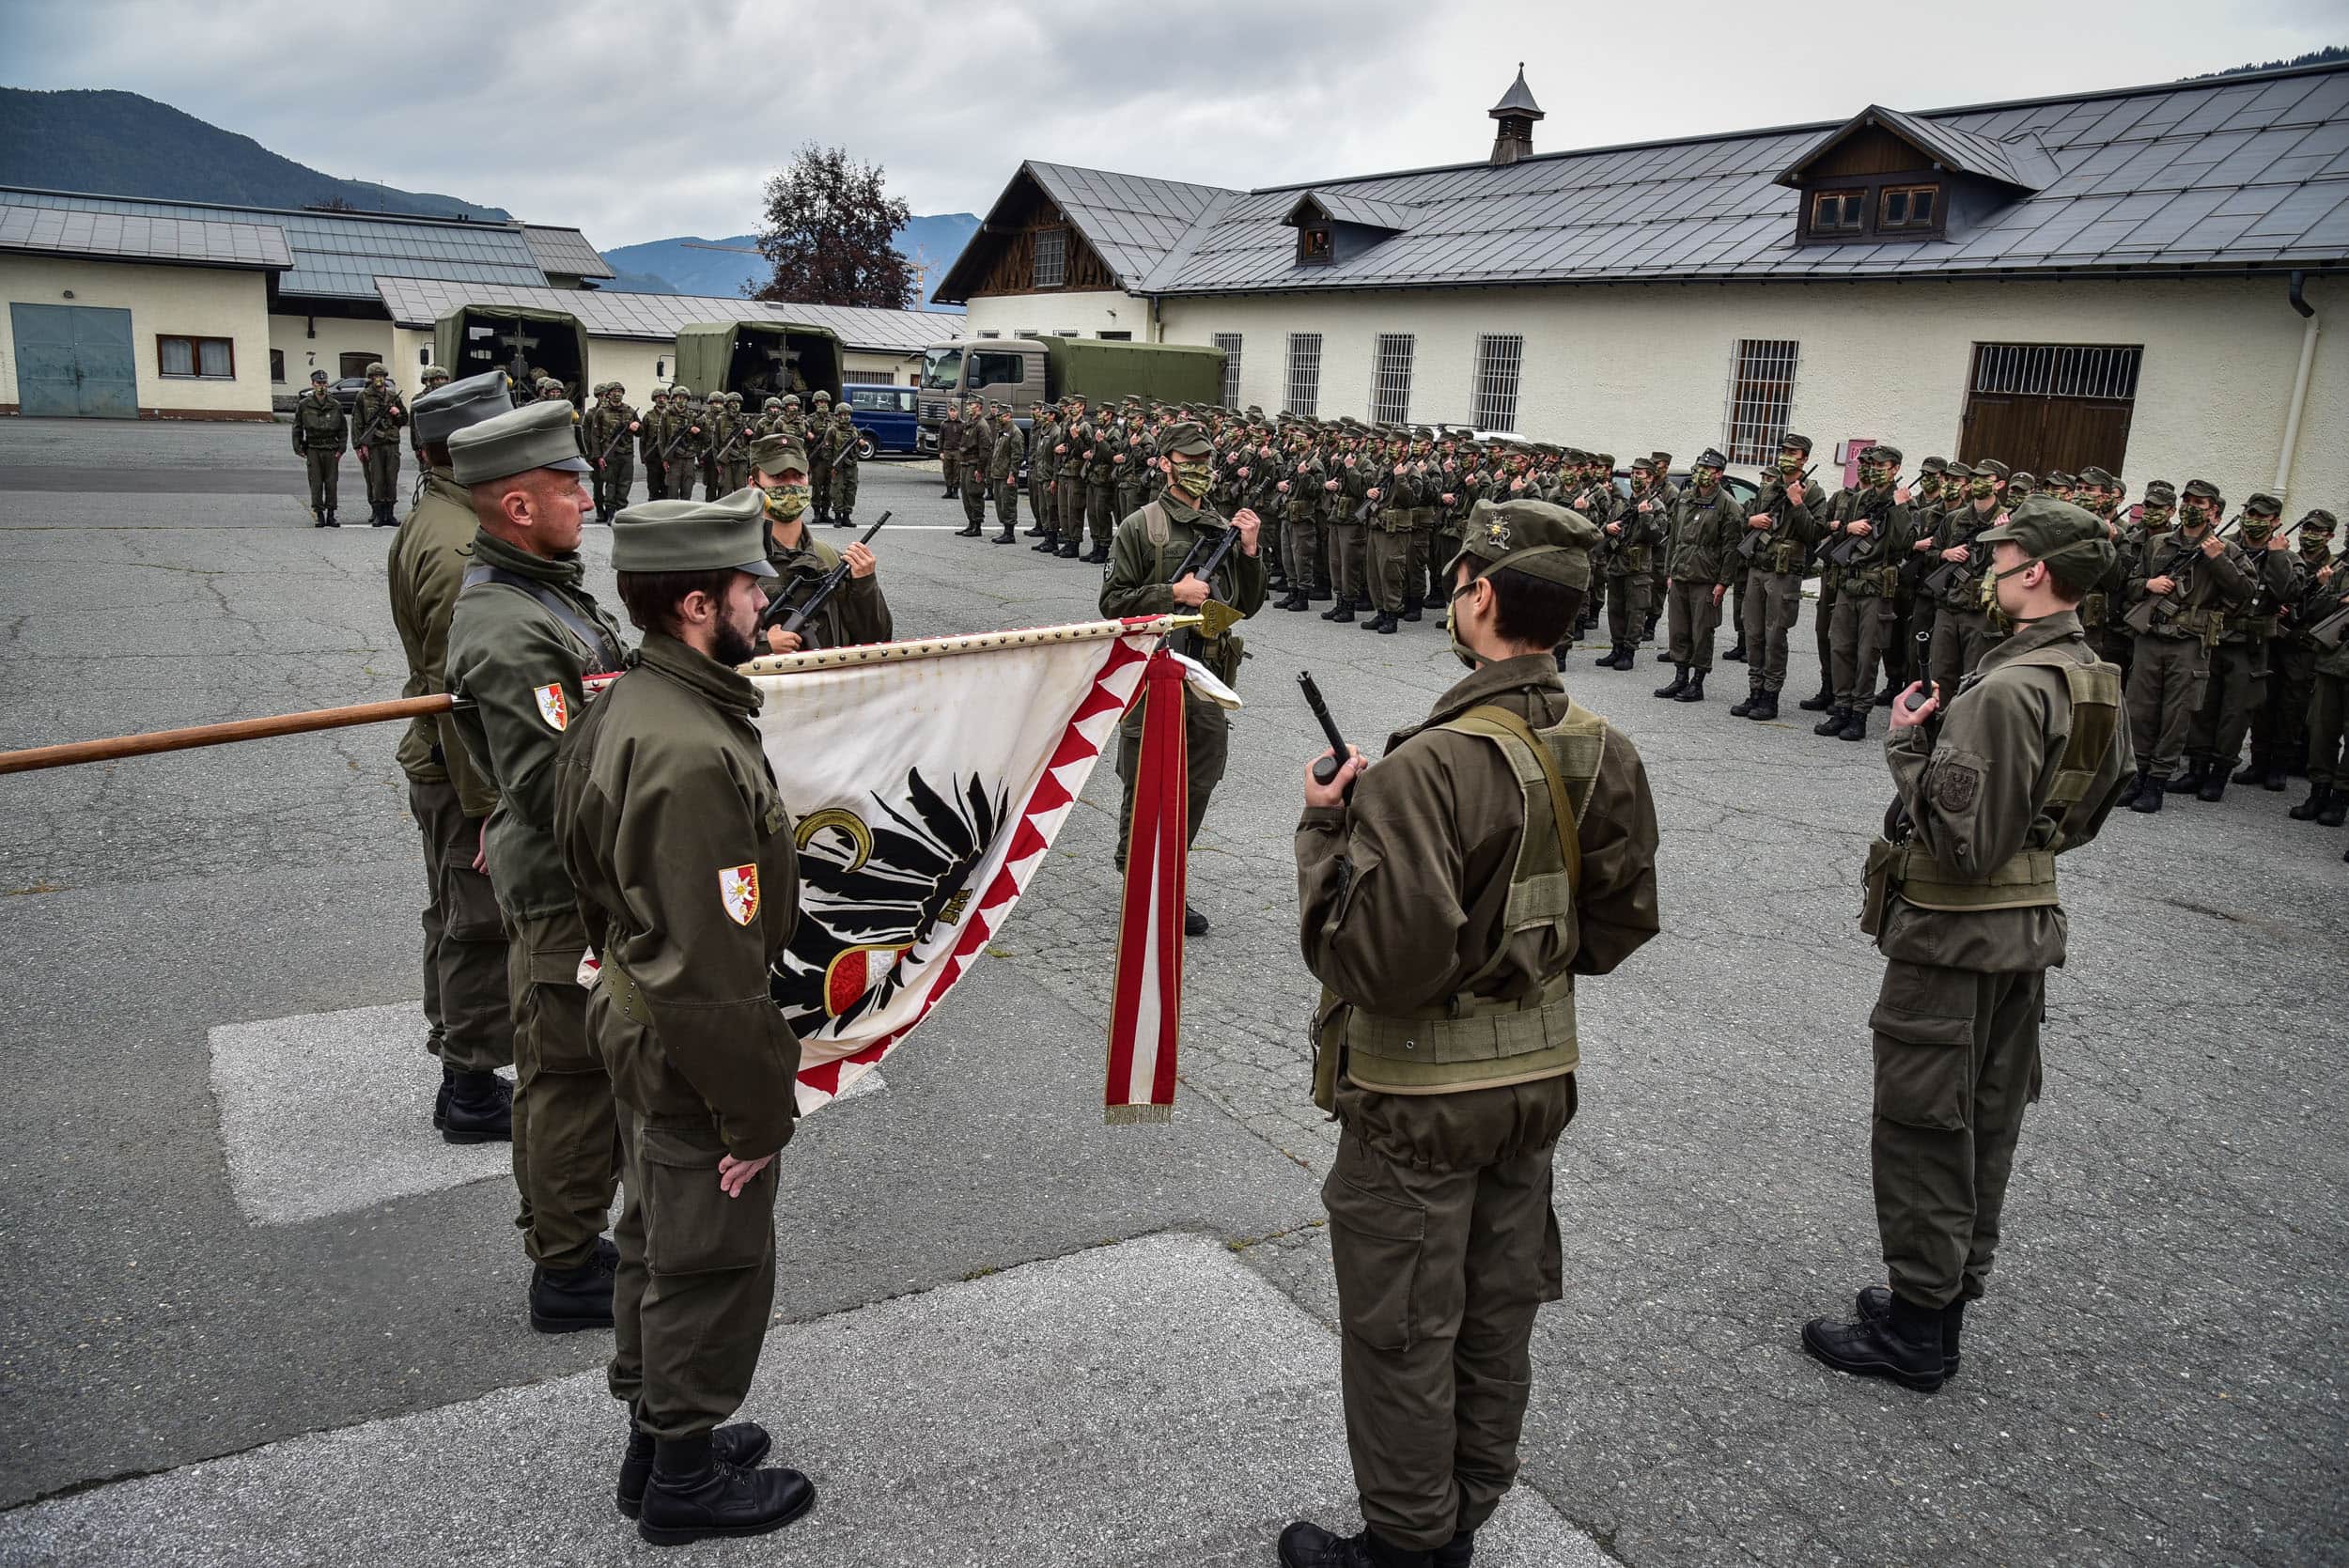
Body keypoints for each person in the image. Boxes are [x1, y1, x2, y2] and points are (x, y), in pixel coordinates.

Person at [1284, 497, 1659, 1568]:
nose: (1454, 599)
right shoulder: (1605, 748)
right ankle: (1465, 1509)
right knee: (1498, 1308)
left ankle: (1409, 1542)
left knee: (1405, 1325)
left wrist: (1325, 827)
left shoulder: (1428, 767)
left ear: (1481, 595)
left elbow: (1377, 966)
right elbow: (1618, 924)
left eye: (1459, 584)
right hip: (1535, 1082)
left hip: (1418, 1100)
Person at [1805, 497, 2129, 1393]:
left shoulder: (2006, 689)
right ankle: (1940, 1302)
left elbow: (1963, 842)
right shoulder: (2090, 674)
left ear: (2036, 571)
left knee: (1924, 1124)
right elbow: (2096, 802)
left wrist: (1908, 748)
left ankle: (1916, 1330)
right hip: (2023, 926)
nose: (1988, 570)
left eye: (2002, 555)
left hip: (1953, 934)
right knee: (1985, 1119)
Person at [552, 489, 815, 1546]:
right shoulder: (688, 749)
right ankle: (685, 1481)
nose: (764, 601)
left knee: (654, 1234)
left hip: (638, 1011)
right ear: (698, 604)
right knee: (708, 1251)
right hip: (685, 1037)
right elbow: (709, 971)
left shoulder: (640, 699)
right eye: (749, 587)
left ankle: (654, 1440)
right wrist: (754, 1115)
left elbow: (583, 861)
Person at [443, 399, 630, 1334]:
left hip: (583, 881)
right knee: (568, 1079)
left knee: (589, 1075)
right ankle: (565, 1267)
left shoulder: (546, 590)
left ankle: (574, 1239)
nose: (587, 499)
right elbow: (560, 787)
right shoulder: (510, 626)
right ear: (518, 507)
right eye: (569, 486)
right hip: (567, 892)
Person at [386, 369, 520, 1143]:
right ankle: (471, 1088)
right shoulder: (456, 545)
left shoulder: (441, 514)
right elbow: (458, 691)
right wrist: (490, 809)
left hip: (442, 761)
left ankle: (458, 1074)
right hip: (462, 770)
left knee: (454, 915)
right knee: (478, 923)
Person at [1098, 421, 1266, 937]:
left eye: (1205, 462)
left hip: (1207, 679)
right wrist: (1174, 594)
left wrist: (1251, 551)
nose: (1200, 470)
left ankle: (1167, 874)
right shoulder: (1141, 527)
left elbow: (1246, 605)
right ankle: (1139, 882)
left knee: (1199, 779)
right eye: (1189, 461)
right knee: (1145, 779)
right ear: (1166, 463)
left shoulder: (1220, 528)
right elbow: (1112, 604)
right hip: (1154, 676)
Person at [2119, 479, 2252, 810]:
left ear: (2213, 511)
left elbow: (2245, 594)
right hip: (2151, 637)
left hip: (2190, 643)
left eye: (2199, 503)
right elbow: (2129, 584)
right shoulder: (2158, 544)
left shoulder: (2227, 550)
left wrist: (2218, 560)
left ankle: (2157, 782)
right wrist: (2148, 584)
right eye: (2188, 500)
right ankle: (2136, 776)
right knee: (2139, 710)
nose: (2191, 507)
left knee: (2176, 715)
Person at [2182, 491, 2302, 800]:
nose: (2254, 520)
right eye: (2250, 513)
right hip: (2215, 636)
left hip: (2250, 645)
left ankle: (2219, 774)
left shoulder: (2286, 557)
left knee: (2236, 713)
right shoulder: (2224, 544)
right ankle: (2196, 768)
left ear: (2276, 522)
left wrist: (2277, 557)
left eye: (2262, 517)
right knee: (2203, 705)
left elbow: (2288, 593)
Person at [750, 436, 892, 653]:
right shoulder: (736, 561)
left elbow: (876, 639)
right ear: (754, 484)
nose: (791, 485)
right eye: (778, 477)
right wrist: (762, 646)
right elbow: (707, 646)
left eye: (798, 476)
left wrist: (865, 584)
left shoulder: (830, 559)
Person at [1814, 444, 1914, 742]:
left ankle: (1859, 715)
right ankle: (1841, 707)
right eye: (1871, 465)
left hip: (1875, 589)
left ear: (1895, 469)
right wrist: (1849, 528)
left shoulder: (1903, 501)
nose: (1874, 469)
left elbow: (1905, 543)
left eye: (1881, 466)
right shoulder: (1859, 499)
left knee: (1867, 654)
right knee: (1840, 647)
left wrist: (1899, 507)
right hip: (1849, 584)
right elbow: (1838, 533)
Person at [1730, 434, 1825, 721]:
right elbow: (1741, 518)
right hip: (1757, 568)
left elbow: (1815, 534)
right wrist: (1751, 521)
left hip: (1784, 574)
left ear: (1804, 459)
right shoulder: (1769, 489)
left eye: (1793, 452)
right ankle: (1755, 691)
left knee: (1774, 636)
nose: (1786, 456)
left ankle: (1770, 697)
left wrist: (1797, 504)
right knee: (1753, 633)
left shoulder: (1812, 492)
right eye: (1784, 451)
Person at [1653, 449, 1741, 704]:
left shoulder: (1728, 505)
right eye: (1700, 467)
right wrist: (1669, 571)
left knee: (1702, 632)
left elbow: (1731, 549)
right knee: (1678, 629)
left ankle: (1697, 682)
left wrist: (1723, 582)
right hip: (1681, 575)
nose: (1702, 473)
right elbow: (1674, 538)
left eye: (1708, 469)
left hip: (1706, 578)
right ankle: (1680, 677)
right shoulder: (1684, 499)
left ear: (1719, 474)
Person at [352, 362, 408, 528]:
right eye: (375, 376)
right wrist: (359, 445)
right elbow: (357, 423)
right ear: (370, 378)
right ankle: (378, 513)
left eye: (381, 376)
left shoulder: (392, 396)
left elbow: (404, 419)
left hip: (391, 443)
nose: (379, 379)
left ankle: (389, 513)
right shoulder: (363, 396)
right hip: (374, 445)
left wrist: (397, 413)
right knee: (376, 480)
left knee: (391, 478)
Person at [293, 369, 347, 527]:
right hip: (313, 447)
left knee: (331, 483)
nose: (322, 386)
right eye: (318, 383)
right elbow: (297, 427)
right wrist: (297, 446)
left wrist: (341, 448)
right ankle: (319, 513)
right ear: (313, 384)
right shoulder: (305, 405)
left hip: (330, 447)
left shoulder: (335, 405)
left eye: (324, 383)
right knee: (316, 482)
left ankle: (331, 514)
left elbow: (343, 429)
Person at [583, 382, 641, 525]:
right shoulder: (601, 412)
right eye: (614, 392)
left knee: (625, 484)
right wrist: (597, 456)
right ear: (608, 394)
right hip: (609, 454)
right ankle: (610, 513)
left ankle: (621, 512)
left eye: (619, 391)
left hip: (626, 454)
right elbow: (594, 436)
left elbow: (641, 432)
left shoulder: (630, 411)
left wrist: (637, 427)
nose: (617, 394)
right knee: (611, 484)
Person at [988, 400, 1024, 545]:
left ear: (1008, 416)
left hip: (1006, 475)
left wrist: (1012, 474)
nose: (999, 418)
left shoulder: (1014, 432)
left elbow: (1017, 456)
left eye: (1001, 416)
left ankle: (1009, 533)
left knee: (1008, 503)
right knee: (1000, 503)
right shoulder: (1002, 431)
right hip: (998, 473)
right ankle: (1005, 530)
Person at [825, 406, 862, 528]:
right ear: (837, 416)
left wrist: (861, 445)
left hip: (851, 465)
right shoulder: (832, 430)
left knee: (851, 490)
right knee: (837, 491)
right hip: (838, 466)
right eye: (843, 414)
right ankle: (837, 517)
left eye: (848, 414)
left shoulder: (854, 430)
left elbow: (859, 447)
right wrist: (831, 467)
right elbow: (827, 450)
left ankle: (847, 516)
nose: (846, 417)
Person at [939, 397, 964, 500]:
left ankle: (955, 491)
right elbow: (941, 438)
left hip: (957, 451)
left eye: (954, 411)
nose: (953, 413)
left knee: (957, 471)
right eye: (951, 411)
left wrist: (963, 451)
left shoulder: (962, 424)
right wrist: (941, 451)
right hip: (947, 450)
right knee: (947, 471)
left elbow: (965, 439)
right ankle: (948, 490)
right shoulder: (944, 424)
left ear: (958, 412)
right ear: (948, 412)